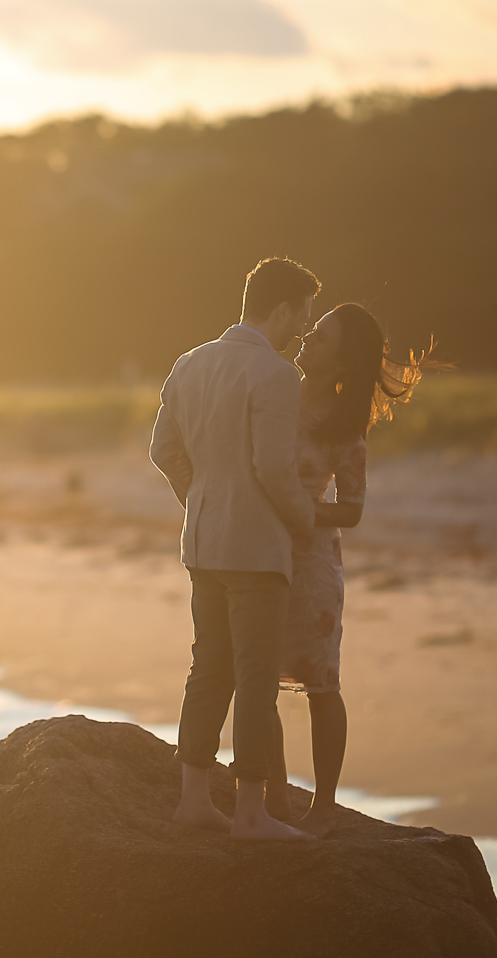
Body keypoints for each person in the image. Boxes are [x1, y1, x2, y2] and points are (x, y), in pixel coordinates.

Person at [150, 257, 319, 841]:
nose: (303, 328)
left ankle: (193, 799)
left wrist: (197, 497)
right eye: (301, 315)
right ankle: (250, 813)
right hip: (255, 549)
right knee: (254, 677)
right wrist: (304, 522)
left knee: (208, 669)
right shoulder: (275, 375)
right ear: (279, 310)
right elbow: (273, 468)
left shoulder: (189, 363)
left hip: (202, 542)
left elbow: (162, 448)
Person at [266, 303, 430, 837]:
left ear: (341, 363)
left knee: (321, 683)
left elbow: (353, 510)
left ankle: (325, 805)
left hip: (312, 566)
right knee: (257, 676)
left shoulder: (343, 426)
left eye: (320, 337)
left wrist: (299, 509)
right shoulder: (274, 392)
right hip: (260, 554)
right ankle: (273, 795)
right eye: (310, 331)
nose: (307, 340)